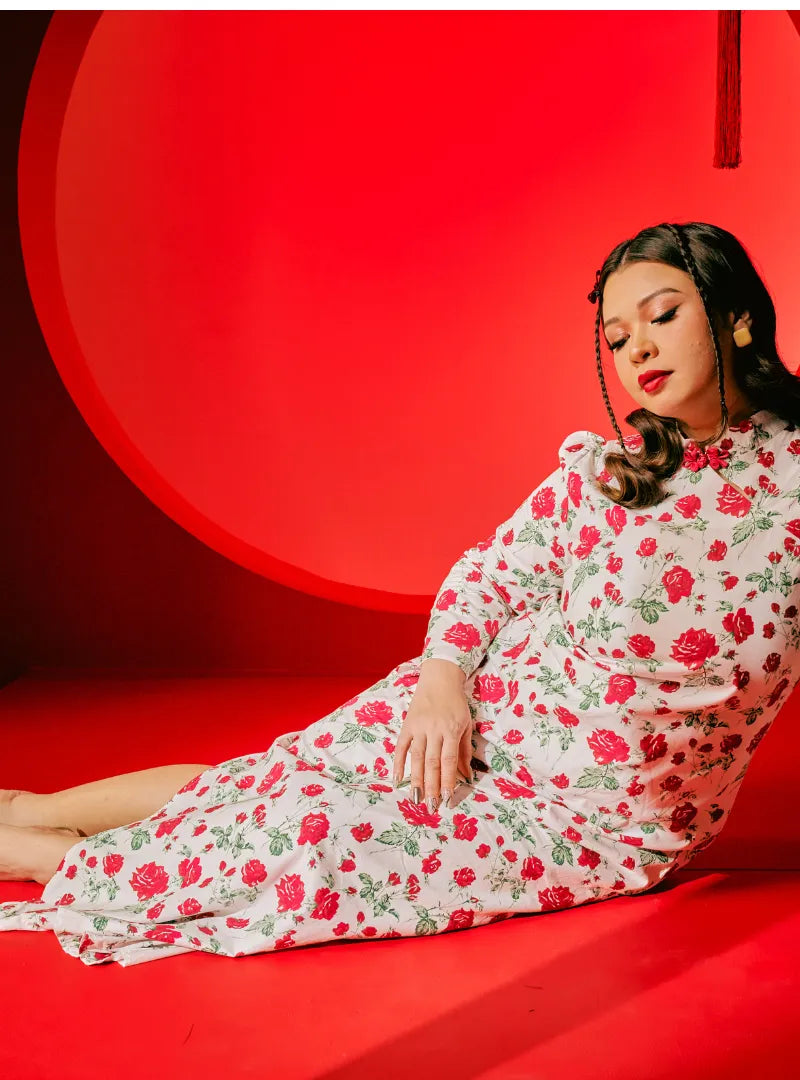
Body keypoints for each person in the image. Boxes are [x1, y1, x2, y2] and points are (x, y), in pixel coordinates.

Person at [2, 220, 799, 967]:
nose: (638, 350)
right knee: (268, 783)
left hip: (590, 823)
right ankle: (28, 810)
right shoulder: (608, 475)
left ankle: (43, 854)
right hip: (469, 719)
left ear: (735, 320)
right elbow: (489, 575)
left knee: (307, 842)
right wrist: (442, 683)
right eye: (618, 338)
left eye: (661, 317)